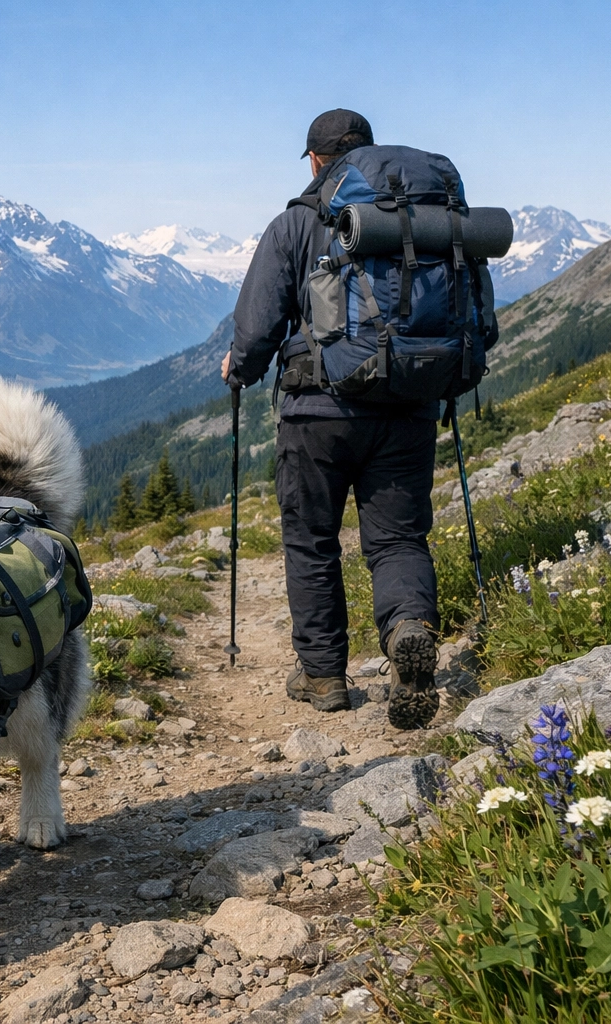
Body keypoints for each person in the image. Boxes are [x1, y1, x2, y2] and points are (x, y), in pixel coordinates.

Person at [220, 109, 441, 728]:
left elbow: (258, 326)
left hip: (317, 413)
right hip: (405, 405)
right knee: (397, 539)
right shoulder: (415, 218)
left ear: (316, 161)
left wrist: (239, 368)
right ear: (368, 154)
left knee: (312, 541)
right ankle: (407, 630)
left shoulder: (296, 223)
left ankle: (323, 675)